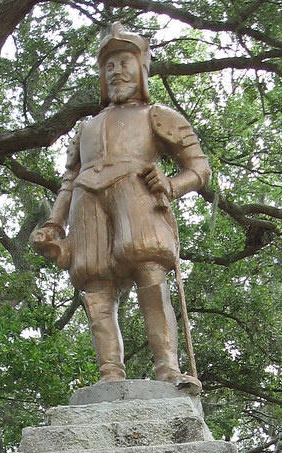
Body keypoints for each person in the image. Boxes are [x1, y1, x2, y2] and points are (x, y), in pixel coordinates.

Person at [30, 23, 211, 392]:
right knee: (95, 286)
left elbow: (200, 168)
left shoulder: (158, 116)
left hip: (137, 197)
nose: (116, 71)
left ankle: (167, 368)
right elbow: (68, 181)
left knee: (150, 273)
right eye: (109, 65)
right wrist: (53, 224)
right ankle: (109, 374)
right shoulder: (86, 129)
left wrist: (173, 186)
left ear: (142, 66)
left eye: (124, 61)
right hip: (87, 203)